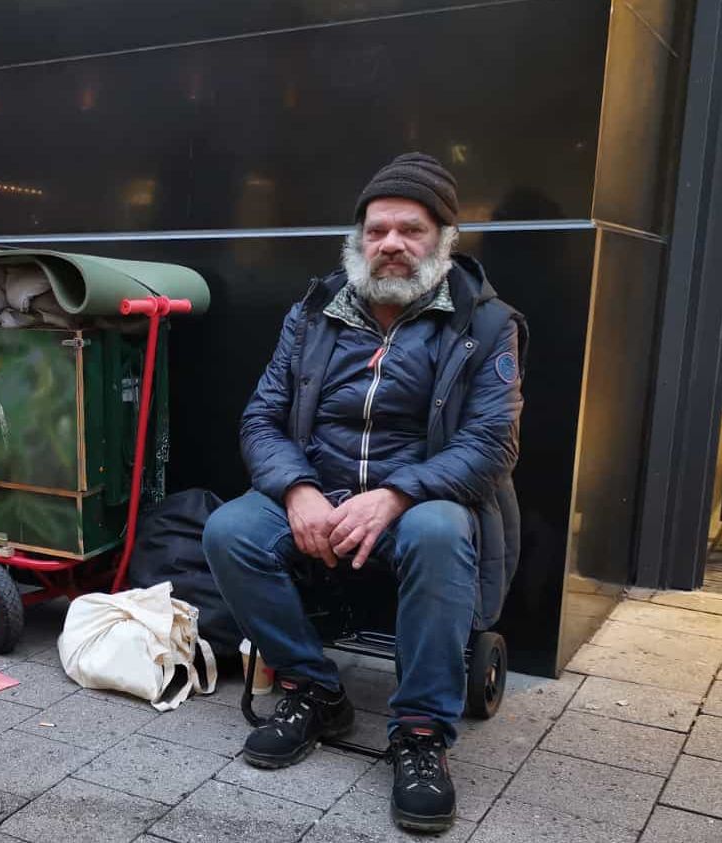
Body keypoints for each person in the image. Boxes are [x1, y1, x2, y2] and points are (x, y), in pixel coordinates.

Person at [203, 153, 526, 833]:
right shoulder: (314, 311)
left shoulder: (485, 324)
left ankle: (419, 732)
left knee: (441, 533)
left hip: (421, 502)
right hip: (318, 490)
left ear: (441, 240)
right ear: (358, 239)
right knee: (229, 529)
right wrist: (296, 491)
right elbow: (260, 417)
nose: (390, 244)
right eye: (377, 230)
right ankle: (312, 689)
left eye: (410, 230)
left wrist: (395, 495)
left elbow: (491, 445)